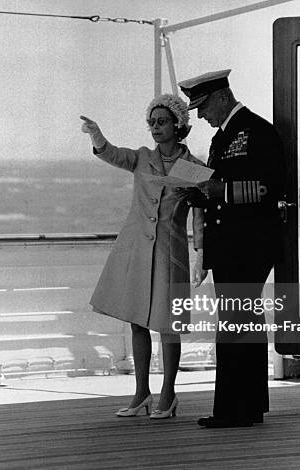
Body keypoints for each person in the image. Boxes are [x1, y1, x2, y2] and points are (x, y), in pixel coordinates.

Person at [80, 94, 207, 419]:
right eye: (151, 122)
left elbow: (199, 213)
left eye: (162, 122)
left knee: (168, 325)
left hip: (169, 252)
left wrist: (200, 253)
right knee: (137, 322)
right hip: (136, 250)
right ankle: (141, 394)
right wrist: (97, 136)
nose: (155, 128)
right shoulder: (141, 158)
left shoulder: (193, 168)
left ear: (178, 125)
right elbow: (112, 154)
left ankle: (168, 394)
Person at [179, 69, 285, 428]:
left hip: (249, 244)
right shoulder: (222, 138)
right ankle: (248, 406)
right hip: (231, 244)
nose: (201, 116)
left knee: (236, 323)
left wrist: (219, 190)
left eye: (204, 107)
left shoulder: (257, 131)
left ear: (223, 97)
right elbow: (216, 184)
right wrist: (195, 189)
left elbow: (271, 188)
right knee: (241, 322)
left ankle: (233, 409)